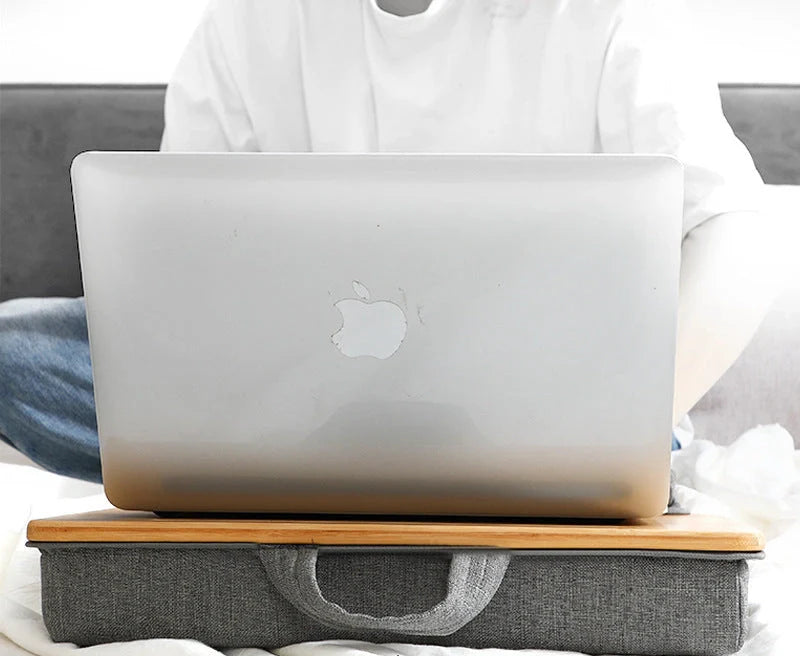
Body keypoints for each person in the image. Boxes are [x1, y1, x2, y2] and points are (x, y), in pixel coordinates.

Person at [0, 0, 776, 484]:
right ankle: (308, 487)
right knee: (18, 354)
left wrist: (619, 431)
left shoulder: (607, 16)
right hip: (292, 407)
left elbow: (734, 230)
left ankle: (459, 503)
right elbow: (182, 270)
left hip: (542, 408)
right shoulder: (244, 23)